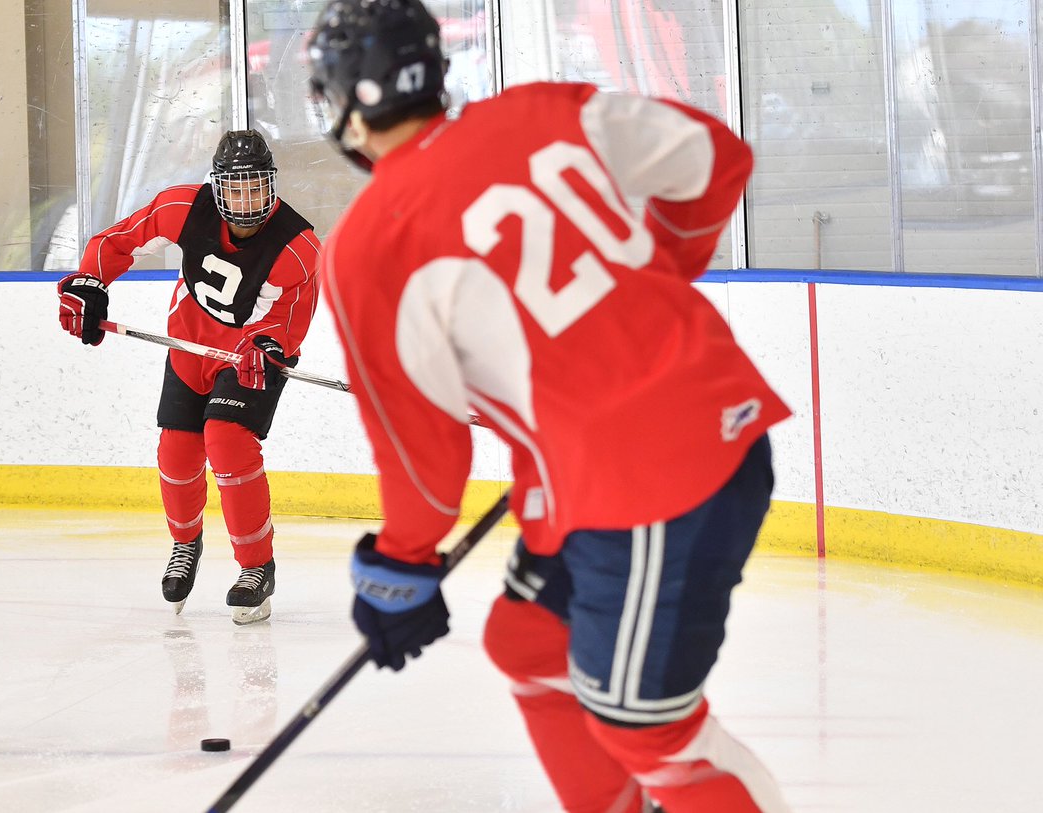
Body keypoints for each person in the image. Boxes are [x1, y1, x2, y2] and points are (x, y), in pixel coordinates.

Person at [306, 1, 793, 811]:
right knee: (531, 641)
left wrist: (402, 565)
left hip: (648, 479)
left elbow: (422, 457)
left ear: (348, 102)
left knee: (645, 728)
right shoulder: (541, 111)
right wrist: (655, 273)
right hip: (671, 436)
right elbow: (715, 160)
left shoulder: (366, 246)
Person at [56, 130, 321, 625]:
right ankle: (185, 544)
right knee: (177, 450)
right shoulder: (182, 207)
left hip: (249, 356)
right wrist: (90, 283)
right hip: (189, 344)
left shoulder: (298, 248)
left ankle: (256, 567)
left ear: (272, 186)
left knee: (227, 440)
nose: (246, 201)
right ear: (218, 187)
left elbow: (289, 321)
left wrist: (268, 348)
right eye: (235, 189)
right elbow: (117, 241)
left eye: (256, 187)